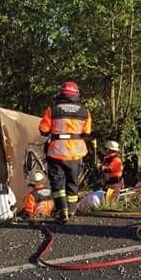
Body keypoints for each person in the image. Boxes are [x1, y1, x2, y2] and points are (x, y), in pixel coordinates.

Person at [38, 81, 92, 222]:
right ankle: (72, 209)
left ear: (61, 93)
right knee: (72, 183)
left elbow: (43, 130)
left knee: (57, 184)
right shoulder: (84, 111)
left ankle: (63, 210)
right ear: (76, 94)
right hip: (76, 152)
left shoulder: (52, 109)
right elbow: (87, 131)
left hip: (56, 151)